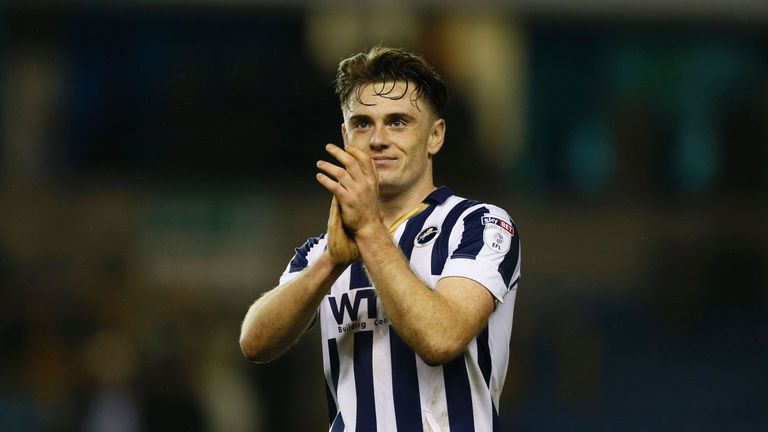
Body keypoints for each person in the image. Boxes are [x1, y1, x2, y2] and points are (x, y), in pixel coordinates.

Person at [239, 46, 521, 432]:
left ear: (435, 136)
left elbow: (441, 338)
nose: (378, 139)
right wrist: (330, 263)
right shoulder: (324, 250)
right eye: (362, 124)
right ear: (345, 135)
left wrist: (369, 232)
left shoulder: (478, 224)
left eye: (398, 122)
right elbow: (254, 342)